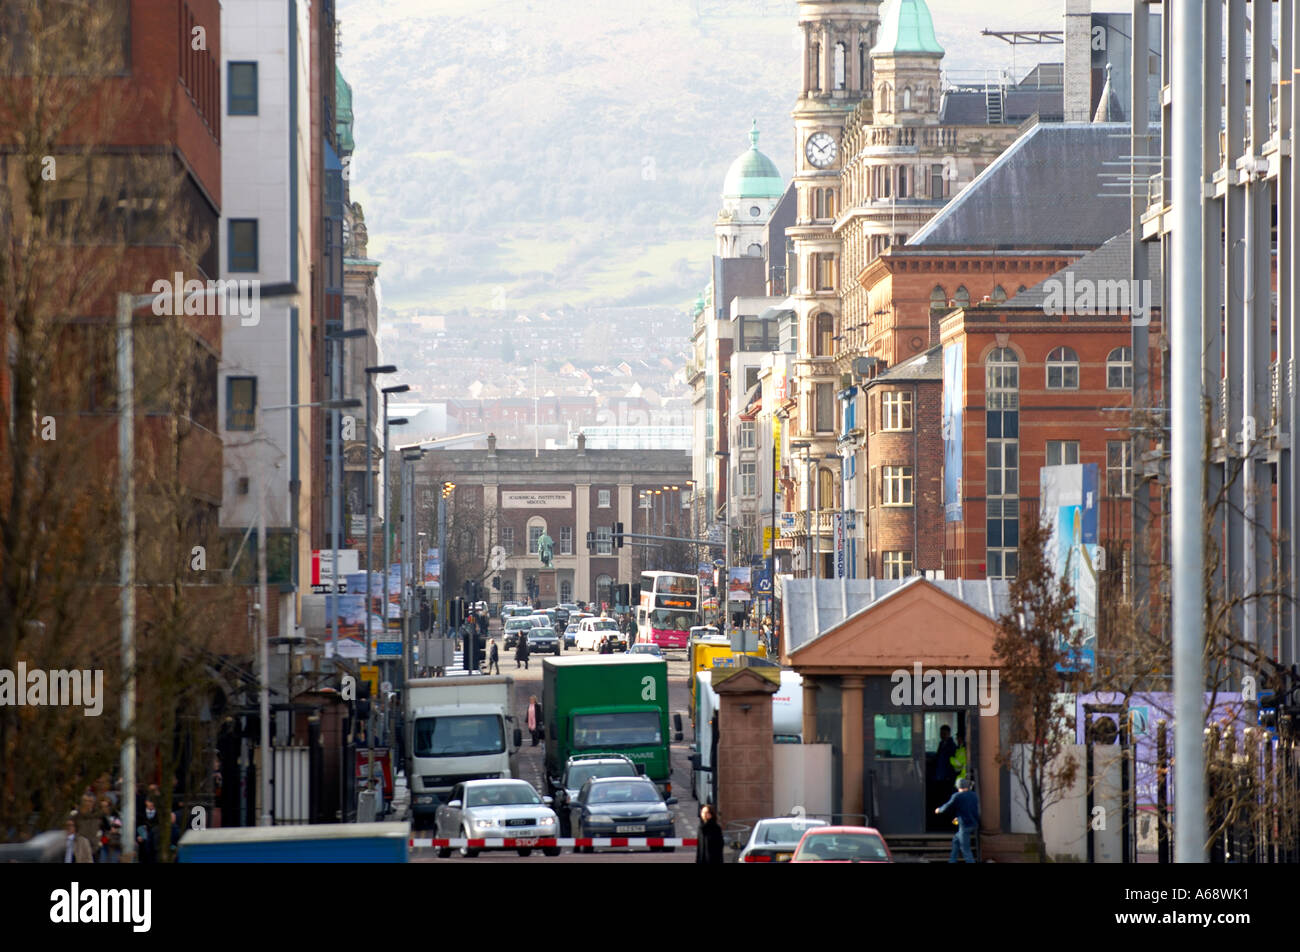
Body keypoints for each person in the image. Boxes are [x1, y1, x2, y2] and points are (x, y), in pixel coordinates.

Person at [935, 777, 980, 863]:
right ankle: (952, 860)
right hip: (973, 823)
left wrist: (939, 810)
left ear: (959, 787)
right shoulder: (973, 795)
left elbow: (947, 806)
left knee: (966, 850)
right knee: (956, 840)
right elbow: (970, 809)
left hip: (964, 825)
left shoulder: (957, 796)